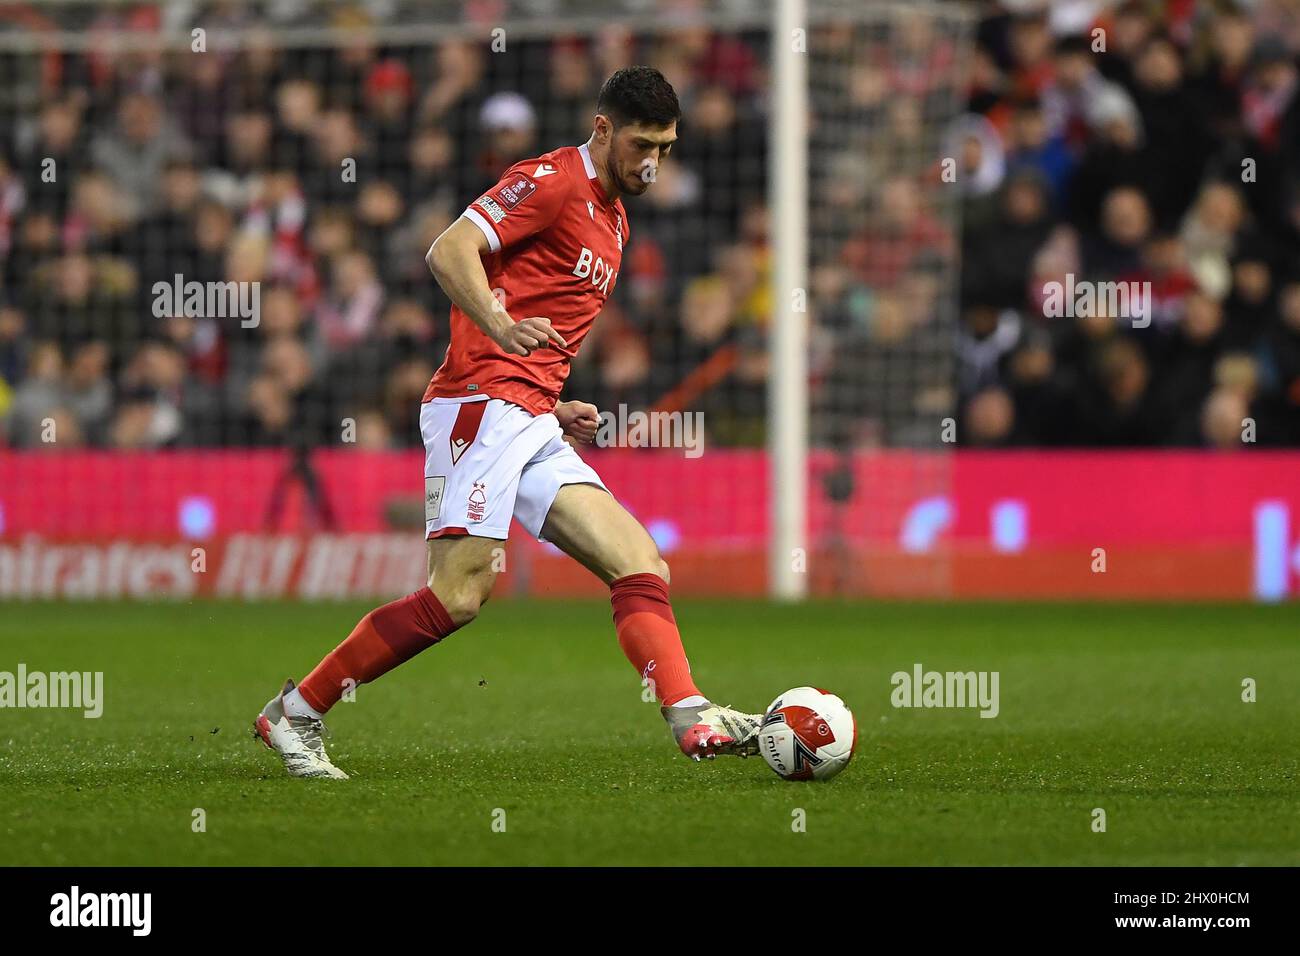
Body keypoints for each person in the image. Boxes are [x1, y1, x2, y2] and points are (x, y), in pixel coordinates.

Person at [253, 67, 761, 779]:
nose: (654, 162)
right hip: (477, 408)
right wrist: (497, 321)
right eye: (643, 144)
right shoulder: (551, 180)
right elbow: (448, 249)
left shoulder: (615, 218)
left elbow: (535, 315)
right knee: (458, 597)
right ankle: (296, 713)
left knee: (641, 562)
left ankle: (690, 714)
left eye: (668, 149)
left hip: (527, 416)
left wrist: (553, 403)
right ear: (604, 128)